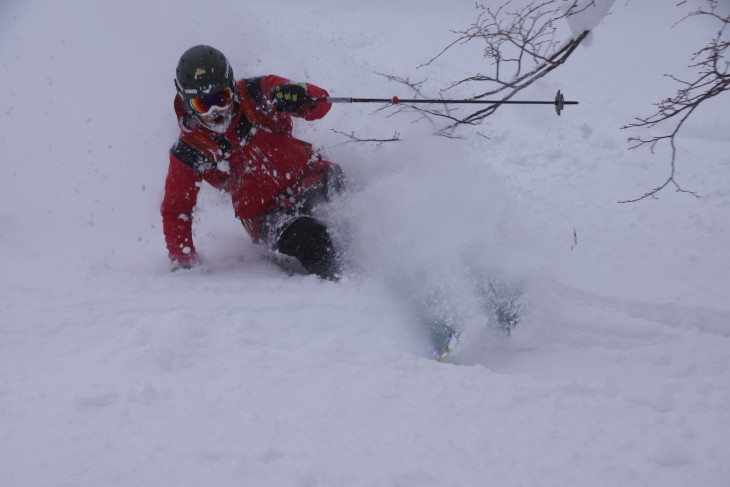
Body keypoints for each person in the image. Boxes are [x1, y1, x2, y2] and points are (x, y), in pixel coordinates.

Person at [161, 45, 344, 279]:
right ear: (188, 104)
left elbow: (322, 104)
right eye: (203, 105)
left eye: (222, 98)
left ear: (231, 88)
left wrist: (301, 97)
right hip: (269, 215)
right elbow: (177, 209)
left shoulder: (259, 94)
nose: (216, 111)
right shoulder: (192, 149)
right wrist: (182, 258)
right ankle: (347, 288)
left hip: (313, 177)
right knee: (315, 241)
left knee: (354, 211)